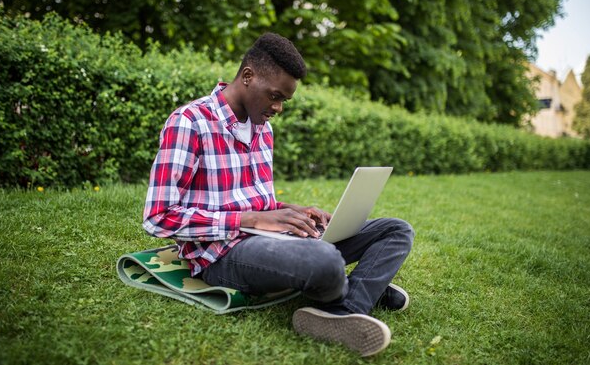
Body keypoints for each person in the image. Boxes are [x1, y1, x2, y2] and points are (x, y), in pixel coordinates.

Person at [142, 33, 414, 357]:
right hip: (223, 254)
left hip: (272, 239)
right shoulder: (189, 123)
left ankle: (345, 304)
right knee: (325, 260)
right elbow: (158, 217)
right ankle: (360, 290)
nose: (278, 108)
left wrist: (293, 211)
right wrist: (251, 219)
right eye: (275, 96)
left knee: (396, 230)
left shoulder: (262, 128)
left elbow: (261, 203)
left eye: (284, 100)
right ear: (247, 76)